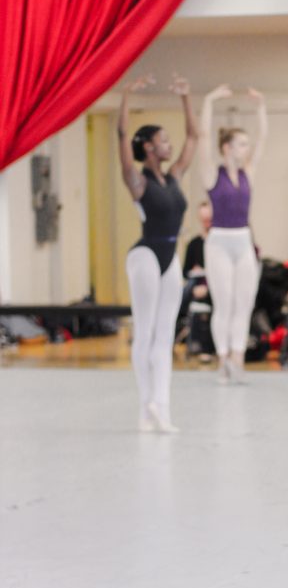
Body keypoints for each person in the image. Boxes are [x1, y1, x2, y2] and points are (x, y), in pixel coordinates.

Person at [118, 73, 198, 432]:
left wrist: (186, 97)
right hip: (145, 255)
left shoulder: (175, 176)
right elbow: (122, 136)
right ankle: (143, 405)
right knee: (147, 329)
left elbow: (195, 137)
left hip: (171, 255)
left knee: (165, 335)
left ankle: (161, 409)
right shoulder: (137, 182)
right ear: (148, 147)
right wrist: (125, 97)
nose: (169, 145)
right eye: (163, 140)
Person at [198, 84, 267, 384]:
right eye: (241, 144)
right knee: (224, 303)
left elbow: (263, 139)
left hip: (243, 240)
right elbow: (201, 137)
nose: (246, 149)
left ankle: (237, 359)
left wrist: (261, 106)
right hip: (219, 242)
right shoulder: (213, 173)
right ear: (226, 147)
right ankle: (223, 360)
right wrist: (209, 100)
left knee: (245, 303)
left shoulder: (248, 173)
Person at [179, 200, 214, 359]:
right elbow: (185, 271)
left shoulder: (217, 243)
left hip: (214, 286)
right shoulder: (194, 244)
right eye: (204, 220)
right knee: (191, 285)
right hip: (196, 285)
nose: (207, 223)